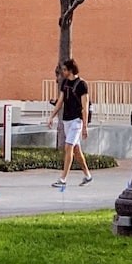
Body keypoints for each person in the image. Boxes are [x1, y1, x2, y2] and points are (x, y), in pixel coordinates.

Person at [47, 59, 93, 187]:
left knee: (68, 147)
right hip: (66, 120)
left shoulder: (82, 85)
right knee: (76, 150)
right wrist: (51, 116)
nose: (63, 72)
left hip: (76, 121)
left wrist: (85, 127)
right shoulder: (65, 83)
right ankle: (88, 176)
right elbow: (60, 102)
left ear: (70, 70)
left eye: (64, 69)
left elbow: (85, 107)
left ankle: (63, 179)